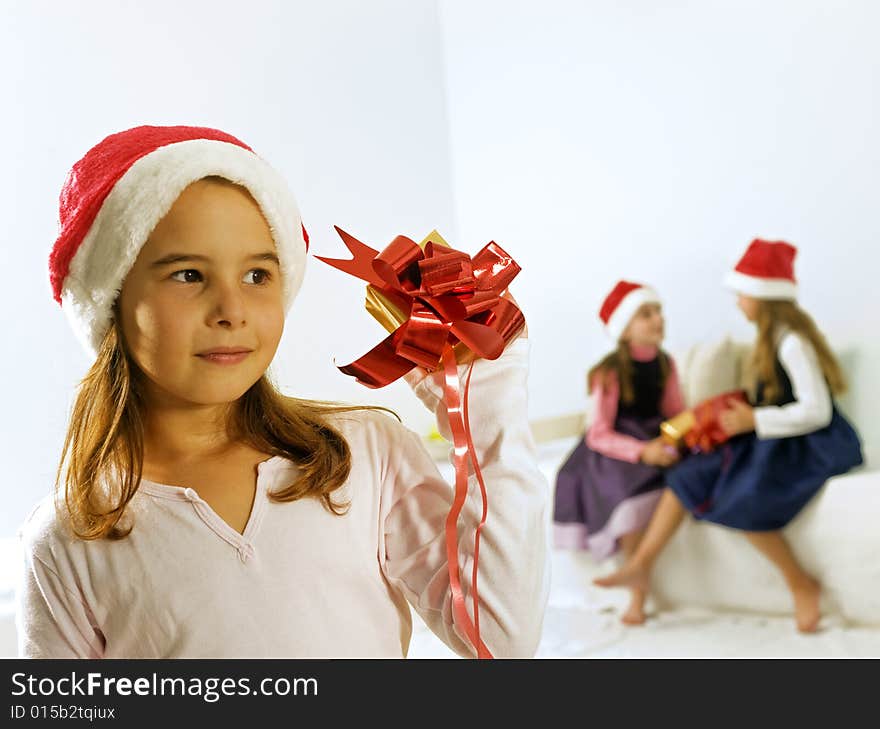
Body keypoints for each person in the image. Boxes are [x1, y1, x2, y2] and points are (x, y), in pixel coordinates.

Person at [16, 125, 549, 658]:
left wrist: (483, 402)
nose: (231, 310)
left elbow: (501, 639)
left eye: (256, 275)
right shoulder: (67, 539)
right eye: (187, 275)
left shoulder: (364, 455)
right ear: (110, 299)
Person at [594, 239, 863, 633]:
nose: (738, 303)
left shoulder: (792, 342)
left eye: (741, 294)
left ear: (762, 296)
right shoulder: (769, 339)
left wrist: (754, 420)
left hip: (808, 444)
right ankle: (640, 567)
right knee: (686, 475)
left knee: (744, 497)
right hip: (772, 434)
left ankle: (802, 585)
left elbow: (817, 411)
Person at [554, 281, 684, 625]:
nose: (658, 319)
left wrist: (674, 442)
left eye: (658, 312)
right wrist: (644, 452)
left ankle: (638, 575)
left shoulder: (666, 364)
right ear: (625, 328)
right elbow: (599, 432)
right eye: (646, 314)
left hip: (653, 442)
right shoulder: (609, 372)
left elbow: (675, 414)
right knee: (626, 498)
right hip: (615, 448)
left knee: (683, 477)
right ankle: (637, 594)